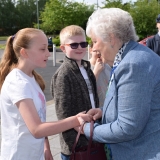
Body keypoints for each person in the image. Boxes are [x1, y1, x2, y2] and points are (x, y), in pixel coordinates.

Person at [79, 8, 160, 160]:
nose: (93, 48)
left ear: (111, 38)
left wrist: (88, 129)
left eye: (95, 41)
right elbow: (137, 104)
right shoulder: (131, 57)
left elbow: (127, 128)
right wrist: (104, 111)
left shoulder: (133, 64)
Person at [0, 28, 93, 160]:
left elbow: (39, 118)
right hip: (19, 155)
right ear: (24, 52)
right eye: (42, 49)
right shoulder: (17, 82)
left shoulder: (31, 77)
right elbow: (36, 129)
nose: (48, 54)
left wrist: (46, 147)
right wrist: (75, 120)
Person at [50, 25, 99, 160]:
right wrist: (75, 145)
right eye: (74, 45)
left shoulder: (86, 68)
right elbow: (63, 114)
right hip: (77, 147)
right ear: (63, 48)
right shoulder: (63, 74)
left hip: (92, 137)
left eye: (83, 44)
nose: (80, 48)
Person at [89, 42, 111, 107]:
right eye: (96, 51)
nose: (99, 54)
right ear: (90, 50)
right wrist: (96, 72)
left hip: (107, 106)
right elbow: (85, 88)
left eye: (101, 51)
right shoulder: (86, 68)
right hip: (94, 108)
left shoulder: (108, 66)